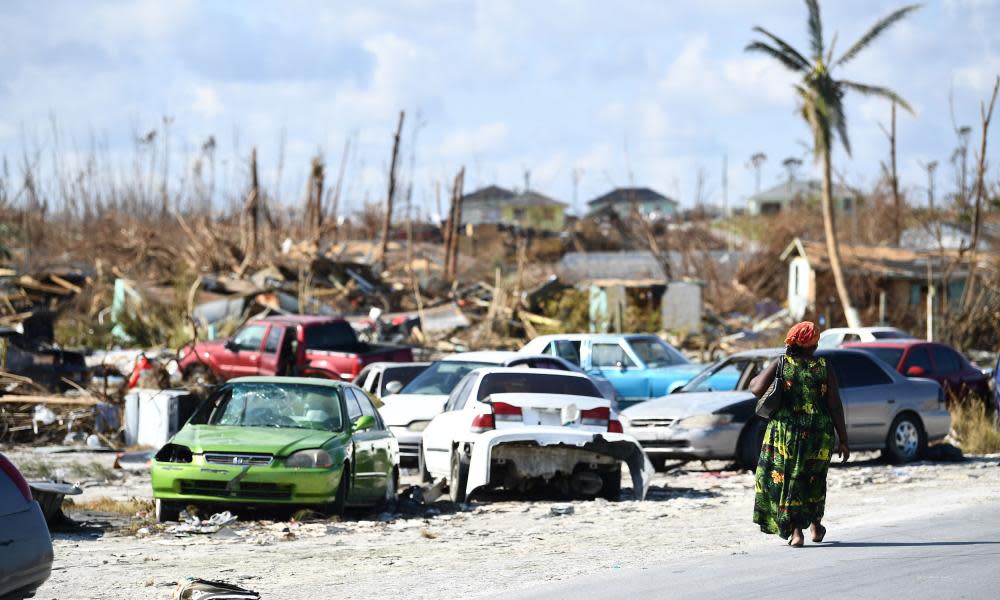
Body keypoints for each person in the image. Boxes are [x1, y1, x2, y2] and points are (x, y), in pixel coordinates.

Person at [749, 321, 850, 547]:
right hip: (819, 433)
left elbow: (756, 389)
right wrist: (843, 439)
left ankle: (796, 532)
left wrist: (767, 370)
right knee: (813, 479)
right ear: (813, 344)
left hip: (787, 433)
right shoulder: (824, 366)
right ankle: (815, 525)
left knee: (790, 479)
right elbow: (834, 404)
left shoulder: (782, 364)